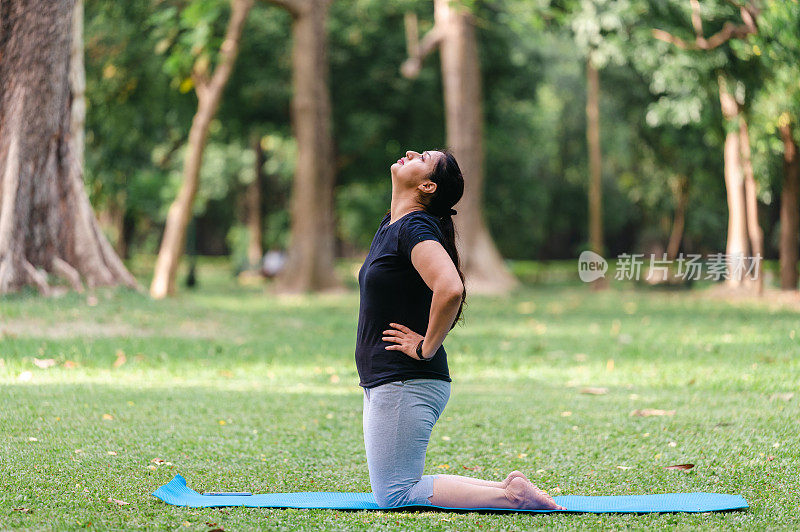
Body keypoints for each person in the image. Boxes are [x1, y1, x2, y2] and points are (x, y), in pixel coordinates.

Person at [355, 148, 565, 510]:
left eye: (421, 156)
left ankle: (512, 497)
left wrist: (425, 348)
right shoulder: (392, 224)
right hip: (391, 380)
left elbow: (450, 287)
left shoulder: (413, 227)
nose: (410, 152)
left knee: (395, 494)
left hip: (406, 379)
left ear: (427, 185)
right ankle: (511, 487)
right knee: (397, 487)